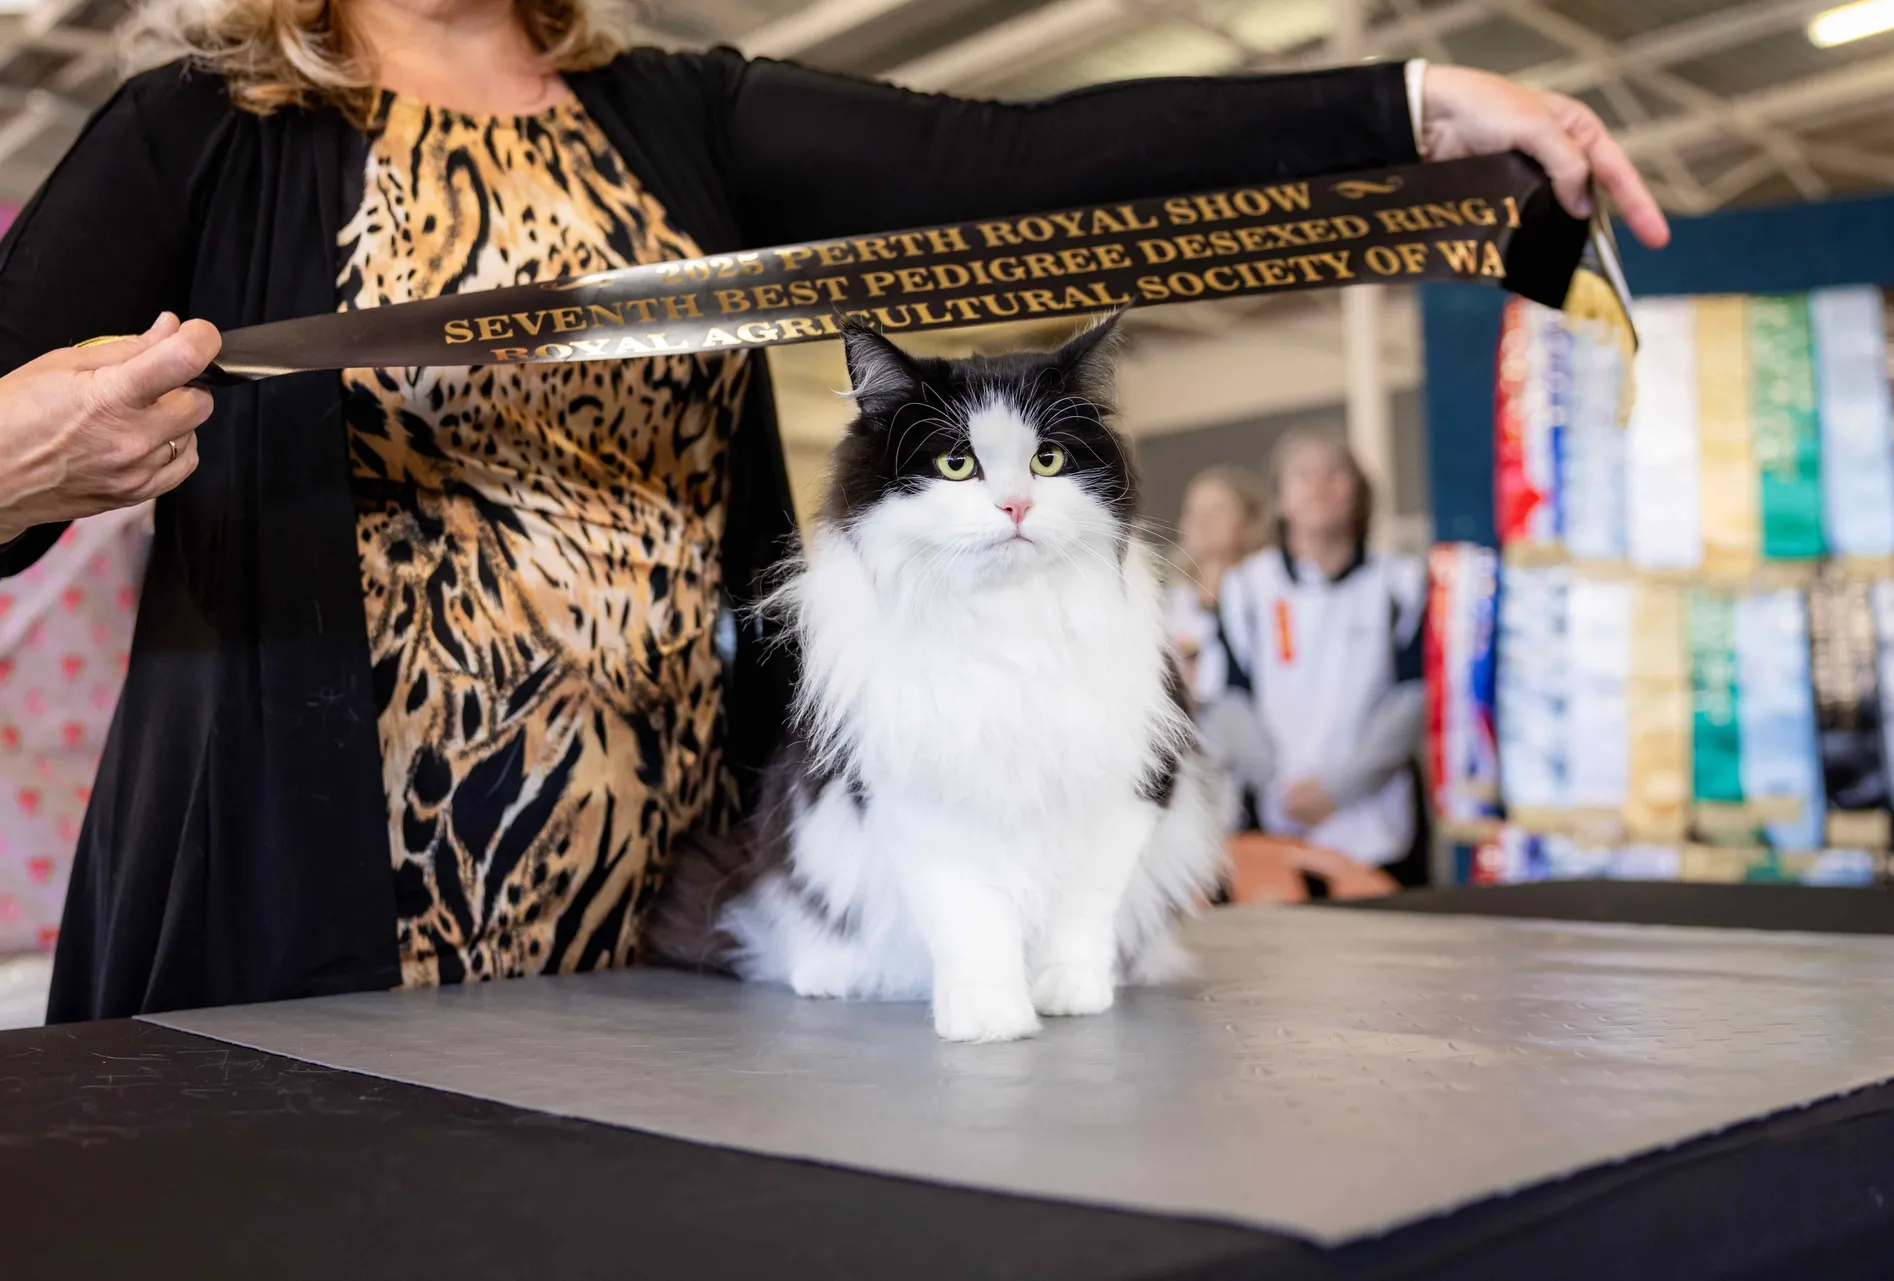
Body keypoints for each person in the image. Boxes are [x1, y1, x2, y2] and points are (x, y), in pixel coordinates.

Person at [0, 0, 1667, 1021]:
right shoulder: (202, 132)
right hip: (315, 912)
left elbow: (1019, 167)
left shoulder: (674, 118)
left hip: (685, 905)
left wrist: (1404, 109)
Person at [1215, 428, 1429, 882]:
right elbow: (1230, 698)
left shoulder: (1401, 583)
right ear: (1280, 497)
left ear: (1359, 492)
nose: (1318, 487)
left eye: (1335, 474)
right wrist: (1280, 783)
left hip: (1378, 828)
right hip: (1279, 825)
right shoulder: (1247, 589)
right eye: (1303, 475)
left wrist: (1340, 787)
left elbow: (1412, 698)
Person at [1166, 464, 1266, 707]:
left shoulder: (1266, 592)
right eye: (1192, 510)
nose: (1202, 521)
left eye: (1217, 510)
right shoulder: (1168, 602)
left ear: (1249, 524)